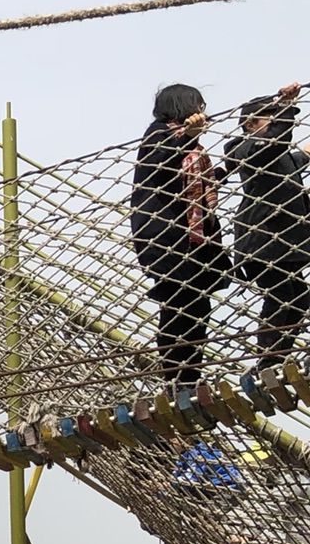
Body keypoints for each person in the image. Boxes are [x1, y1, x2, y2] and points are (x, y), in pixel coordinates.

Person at [131, 84, 229, 389]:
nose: (204, 111)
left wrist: (230, 166)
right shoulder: (158, 133)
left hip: (192, 244)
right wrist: (187, 136)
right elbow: (161, 163)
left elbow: (194, 184)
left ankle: (188, 379)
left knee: (198, 310)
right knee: (178, 308)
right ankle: (177, 381)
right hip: (168, 244)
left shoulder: (192, 147)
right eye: (199, 105)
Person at [224, 84, 309, 372]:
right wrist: (286, 107)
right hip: (263, 242)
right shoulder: (244, 148)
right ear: (250, 124)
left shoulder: (276, 153)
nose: (275, 123)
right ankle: (269, 361)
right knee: (283, 295)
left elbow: (295, 157)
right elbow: (276, 143)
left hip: (285, 243)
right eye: (268, 119)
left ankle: (275, 358)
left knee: (296, 297)